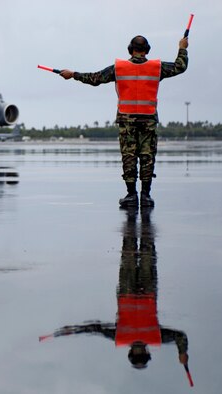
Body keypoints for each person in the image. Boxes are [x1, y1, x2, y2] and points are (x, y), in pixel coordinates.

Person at [39, 208, 189, 370]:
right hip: (148, 291)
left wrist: (73, 330)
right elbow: (180, 337)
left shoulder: (120, 336)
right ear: (146, 351)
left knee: (129, 253)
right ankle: (145, 216)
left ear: (131, 351)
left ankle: (132, 217)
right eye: (141, 353)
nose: (138, 350)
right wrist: (182, 351)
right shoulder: (157, 337)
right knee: (146, 253)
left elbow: (95, 328)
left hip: (127, 290)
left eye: (136, 353)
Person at [58, 35, 189, 207]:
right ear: (147, 50)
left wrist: (73, 74)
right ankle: (146, 196)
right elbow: (180, 66)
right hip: (148, 120)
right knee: (147, 157)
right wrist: (182, 48)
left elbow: (95, 78)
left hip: (126, 120)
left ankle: (131, 195)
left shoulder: (119, 68)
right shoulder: (157, 68)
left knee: (129, 157)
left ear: (130, 49)